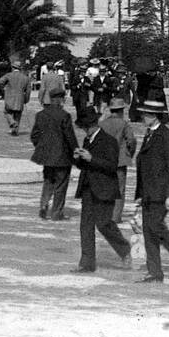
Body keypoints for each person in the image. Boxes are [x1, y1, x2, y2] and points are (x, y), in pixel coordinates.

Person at [70, 106, 132, 273]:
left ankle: (125, 250)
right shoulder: (87, 140)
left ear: (92, 126)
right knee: (86, 226)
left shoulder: (108, 141)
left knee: (104, 224)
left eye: (85, 128)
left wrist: (91, 158)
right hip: (88, 188)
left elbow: (111, 166)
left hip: (105, 188)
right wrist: (77, 159)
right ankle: (87, 263)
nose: (84, 132)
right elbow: (84, 165)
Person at [133, 99, 169, 281]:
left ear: (155, 116)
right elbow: (144, 166)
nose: (144, 117)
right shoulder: (149, 134)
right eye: (144, 114)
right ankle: (155, 273)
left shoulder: (167, 136)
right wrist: (140, 194)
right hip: (149, 193)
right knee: (149, 232)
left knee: (155, 227)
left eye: (147, 114)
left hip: (161, 192)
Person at [30, 87, 77, 220]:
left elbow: (34, 135)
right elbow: (70, 137)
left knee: (48, 181)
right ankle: (57, 213)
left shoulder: (41, 115)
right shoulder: (64, 115)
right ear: (61, 99)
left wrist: (42, 147)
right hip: (62, 156)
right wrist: (75, 151)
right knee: (61, 185)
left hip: (46, 156)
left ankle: (44, 205)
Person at [100, 97, 138, 222]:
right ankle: (115, 217)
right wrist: (129, 154)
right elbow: (131, 141)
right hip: (120, 161)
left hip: (105, 160)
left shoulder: (102, 124)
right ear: (121, 110)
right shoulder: (124, 124)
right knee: (119, 190)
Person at [0, 63, 32, 136]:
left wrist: (4, 88)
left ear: (13, 67)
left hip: (9, 98)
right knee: (18, 115)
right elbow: (28, 91)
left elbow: (0, 81)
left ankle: (12, 122)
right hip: (20, 98)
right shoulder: (25, 78)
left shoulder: (8, 75)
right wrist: (26, 99)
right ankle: (15, 131)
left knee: (7, 112)